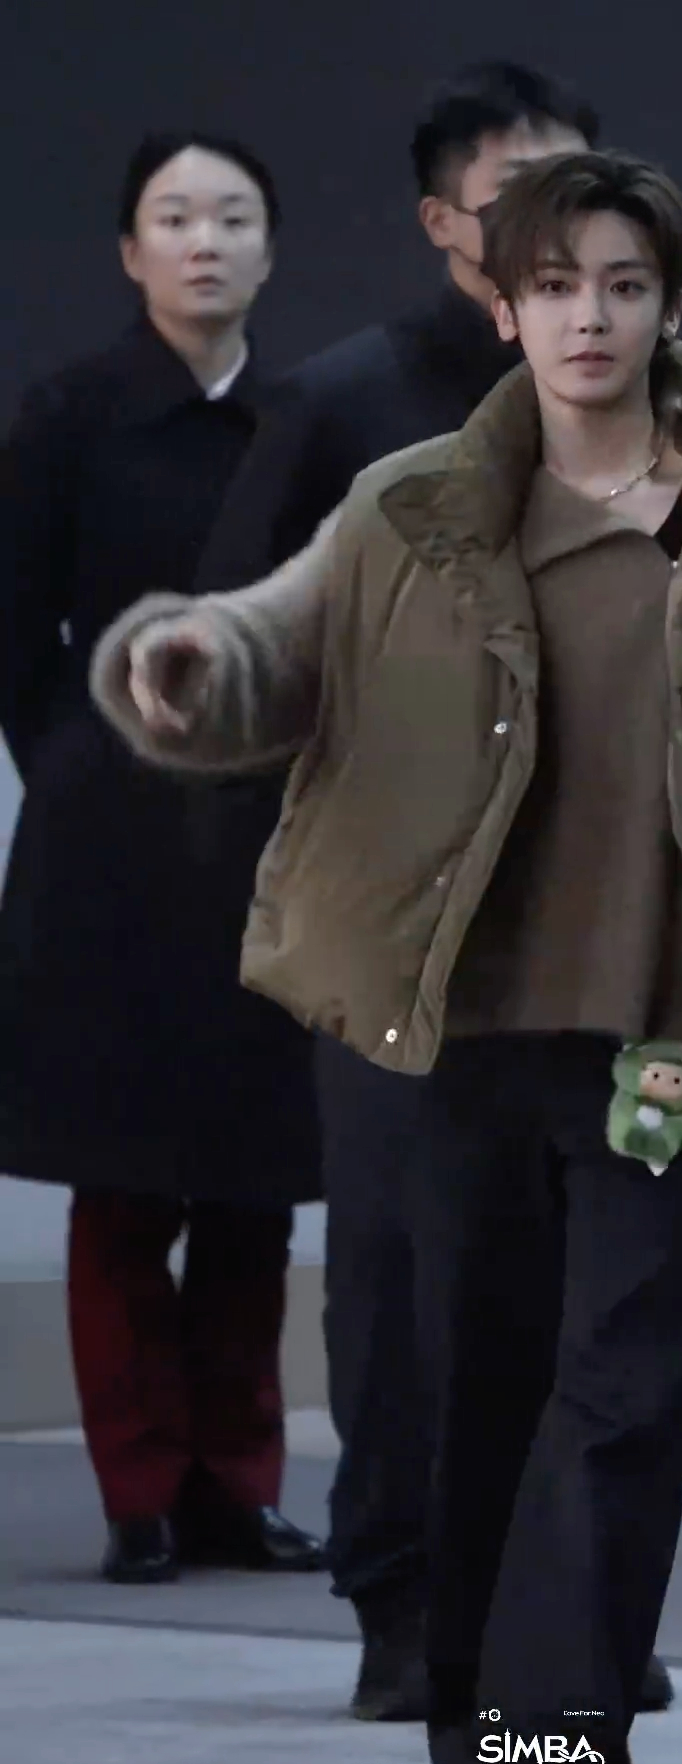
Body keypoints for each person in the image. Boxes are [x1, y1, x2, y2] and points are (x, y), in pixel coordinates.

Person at [91, 147, 682, 1764]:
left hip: (675, 1037)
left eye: (623, 285)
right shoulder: (414, 505)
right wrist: (183, 665)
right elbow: (275, 652)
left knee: (621, 1410)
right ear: (503, 306)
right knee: (478, 1410)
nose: (589, 318)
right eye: (555, 285)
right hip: (465, 1033)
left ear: (669, 303)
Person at [197, 62, 682, 1724]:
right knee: (405, 1278)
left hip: (595, 930)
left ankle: (571, 1624)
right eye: (516, 201)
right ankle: (407, 1606)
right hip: (404, 933)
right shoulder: (349, 402)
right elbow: (244, 649)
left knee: (586, 1289)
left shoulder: (661, 407)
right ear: (442, 223)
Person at [0, 133, 323, 1584]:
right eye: (175, 218)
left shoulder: (304, 421)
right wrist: (78, 765)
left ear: (269, 249)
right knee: (123, 1182)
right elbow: (16, 633)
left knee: (254, 1180)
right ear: (131, 252)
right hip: (110, 854)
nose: (205, 242)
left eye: (233, 217)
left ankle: (234, 1485)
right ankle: (137, 1489)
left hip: (266, 838)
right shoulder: (71, 413)